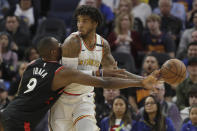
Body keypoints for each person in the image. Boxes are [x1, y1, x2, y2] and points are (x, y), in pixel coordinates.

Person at [1, 37, 156, 131]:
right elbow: (104, 82)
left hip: (7, 112)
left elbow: (21, 92)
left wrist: (103, 71)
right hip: (20, 122)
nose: (62, 45)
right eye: (59, 45)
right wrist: (140, 83)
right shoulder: (62, 72)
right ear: (54, 52)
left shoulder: (31, 65)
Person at [50, 5, 148, 131]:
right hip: (63, 100)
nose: (80, 24)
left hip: (85, 99)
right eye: (78, 21)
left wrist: (143, 80)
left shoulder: (103, 44)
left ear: (95, 23)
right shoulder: (72, 42)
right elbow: (68, 76)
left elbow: (115, 73)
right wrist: (99, 72)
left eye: (84, 21)